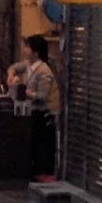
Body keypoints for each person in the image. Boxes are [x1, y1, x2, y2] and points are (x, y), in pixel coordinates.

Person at [15, 32, 60, 180]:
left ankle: (42, 174)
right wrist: (12, 76)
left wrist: (25, 92)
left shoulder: (44, 71)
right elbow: (14, 68)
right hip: (35, 112)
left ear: (35, 52)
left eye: (27, 47)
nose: (24, 49)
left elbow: (42, 96)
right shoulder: (29, 65)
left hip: (45, 114)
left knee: (41, 146)